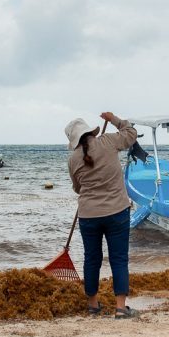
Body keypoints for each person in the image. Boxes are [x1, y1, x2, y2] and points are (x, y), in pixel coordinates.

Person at [65, 112, 139, 319]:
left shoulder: (73, 159)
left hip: (88, 215)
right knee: (119, 258)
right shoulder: (107, 141)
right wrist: (114, 118)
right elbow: (131, 133)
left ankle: (93, 305)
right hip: (117, 212)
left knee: (91, 259)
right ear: (90, 132)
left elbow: (78, 188)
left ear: (74, 140)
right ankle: (120, 308)